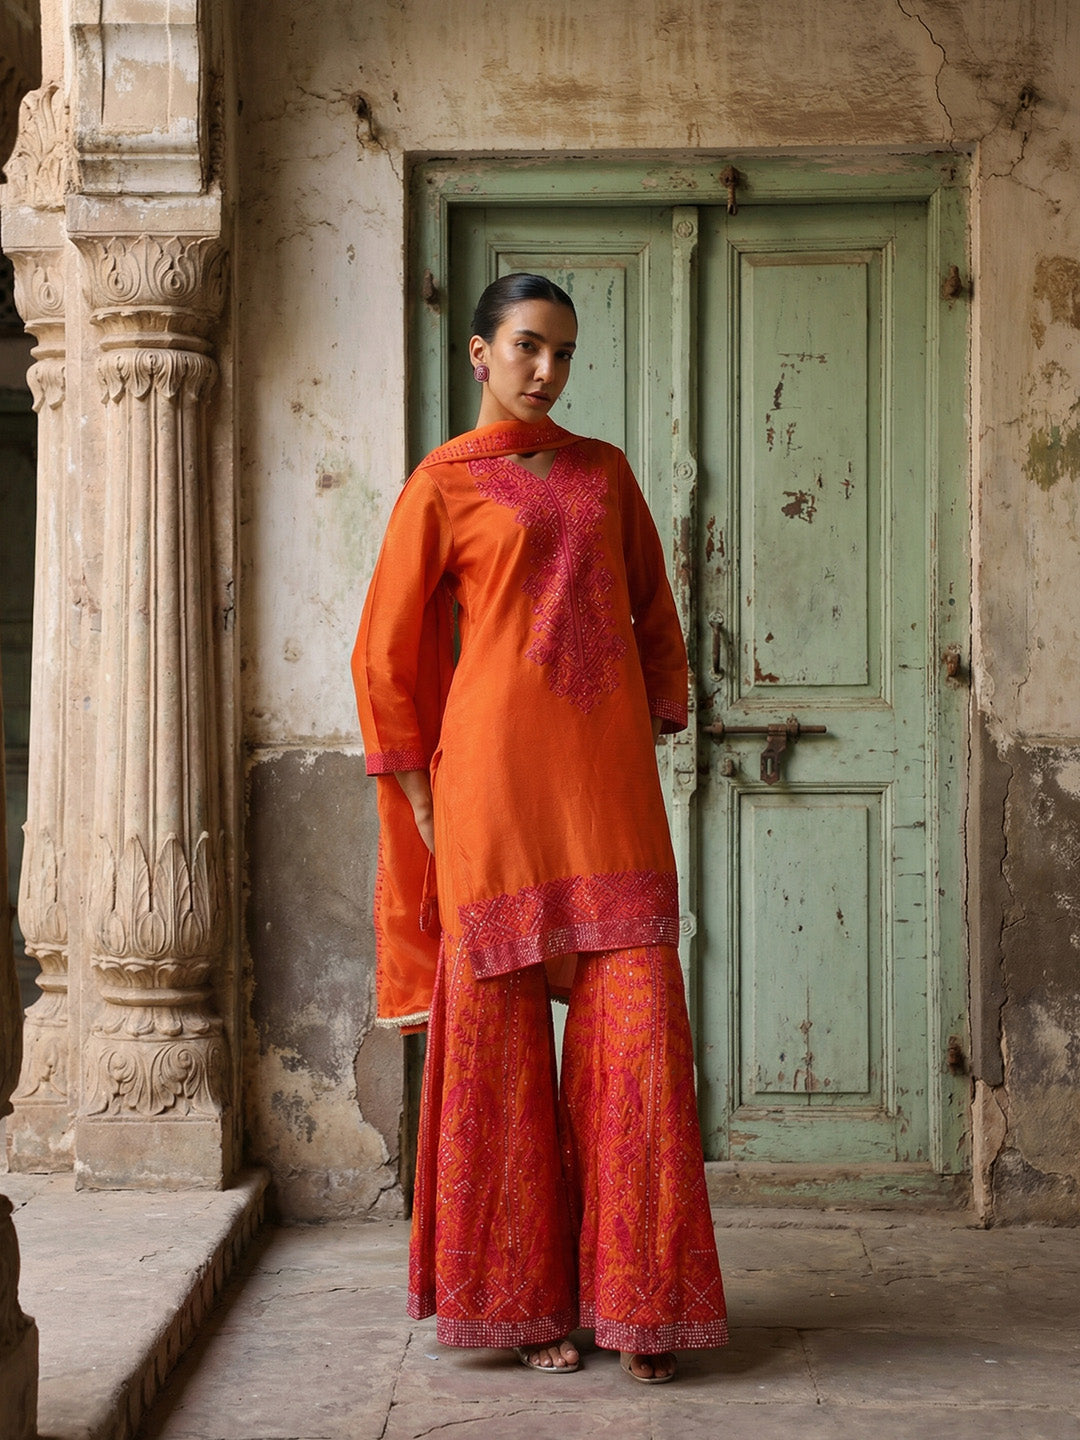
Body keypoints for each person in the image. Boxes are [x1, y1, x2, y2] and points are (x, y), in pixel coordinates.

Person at [352, 272, 727, 1383]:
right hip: (494, 789)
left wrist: (657, 702)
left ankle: (641, 1303)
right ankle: (523, 1308)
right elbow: (382, 652)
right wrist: (419, 789)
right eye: (526, 348)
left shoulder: (606, 474)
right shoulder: (442, 484)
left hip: (606, 789)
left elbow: (655, 607)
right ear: (478, 353)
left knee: (638, 1037)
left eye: (563, 352)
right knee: (500, 1041)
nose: (547, 371)